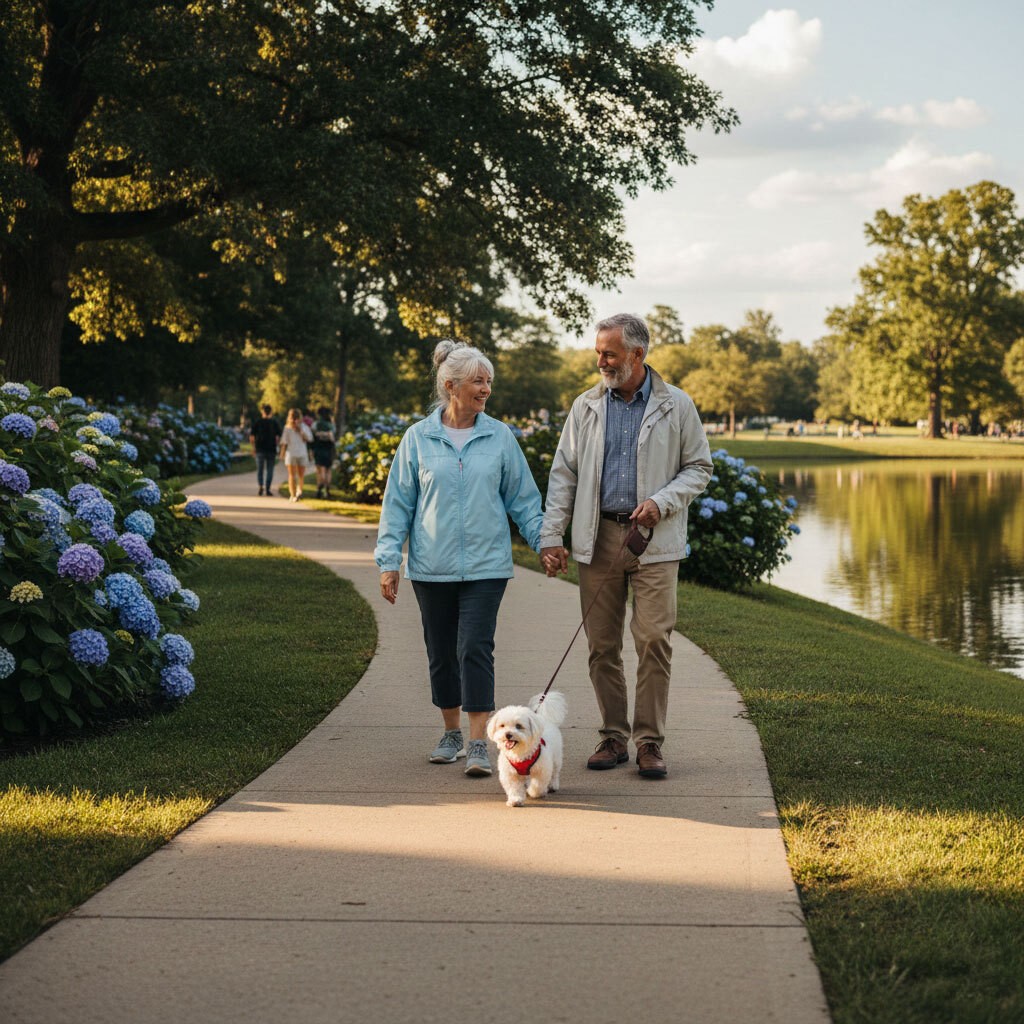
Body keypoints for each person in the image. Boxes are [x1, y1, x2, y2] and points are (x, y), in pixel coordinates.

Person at [540, 313, 712, 779]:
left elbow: (699, 467)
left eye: (609, 353)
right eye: (598, 351)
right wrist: (551, 536)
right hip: (598, 538)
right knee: (601, 645)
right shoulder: (586, 406)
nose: (600, 361)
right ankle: (613, 736)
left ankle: (649, 742)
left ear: (637, 354)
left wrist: (661, 501)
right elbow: (564, 475)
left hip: (655, 538)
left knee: (654, 639)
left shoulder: (676, 405)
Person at [374, 340, 545, 778]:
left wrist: (544, 542)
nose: (486, 388)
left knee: (475, 647)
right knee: (441, 652)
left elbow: (523, 499)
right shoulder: (418, 438)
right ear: (451, 385)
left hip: (487, 567)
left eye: (489, 381)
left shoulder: (499, 436)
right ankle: (450, 733)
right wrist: (389, 560)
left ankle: (476, 742)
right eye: (477, 381)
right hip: (431, 567)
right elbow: (398, 504)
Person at [279, 407, 314, 502]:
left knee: (301, 475)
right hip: (291, 454)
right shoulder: (287, 428)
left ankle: (299, 491)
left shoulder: (304, 427)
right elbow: (284, 442)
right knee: (291, 475)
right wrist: (282, 454)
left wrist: (300, 431)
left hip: (302, 453)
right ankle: (292, 494)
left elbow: (310, 439)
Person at [249, 404, 280, 496]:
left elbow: (252, 436)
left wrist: (253, 447)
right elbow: (278, 436)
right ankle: (268, 488)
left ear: (262, 411)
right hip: (271, 449)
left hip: (260, 449)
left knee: (260, 469)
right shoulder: (274, 422)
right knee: (270, 469)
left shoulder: (258, 422)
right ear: (271, 412)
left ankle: (260, 486)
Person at [311, 406, 337, 499]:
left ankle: (319, 488)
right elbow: (333, 435)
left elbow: (313, 435)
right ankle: (327, 489)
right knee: (328, 470)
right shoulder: (331, 425)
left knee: (320, 470)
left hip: (319, 448)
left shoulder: (316, 424)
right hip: (329, 448)